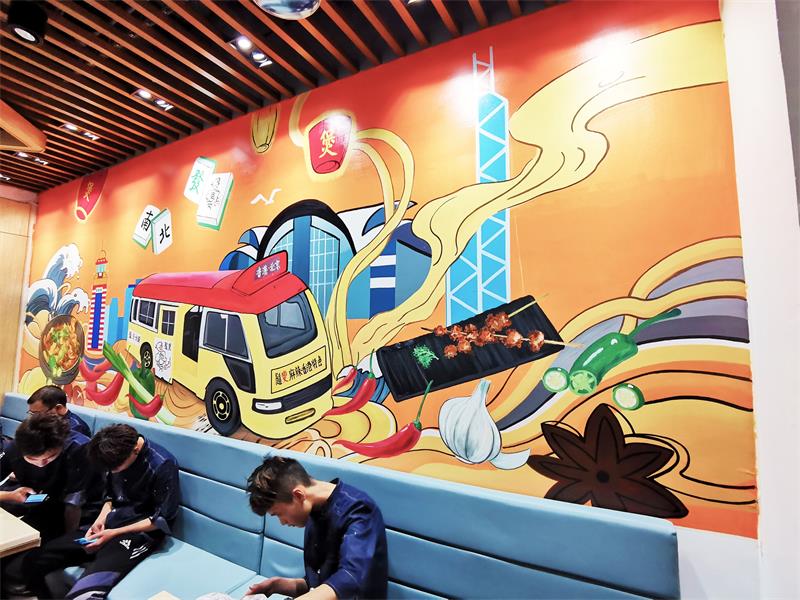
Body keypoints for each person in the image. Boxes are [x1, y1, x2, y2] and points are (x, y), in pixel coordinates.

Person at [21, 423, 181, 599]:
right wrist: (100, 521)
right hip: (108, 526)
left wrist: (113, 533)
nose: (112, 472)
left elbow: (161, 518)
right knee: (33, 561)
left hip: (138, 535)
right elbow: (110, 497)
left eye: (115, 469)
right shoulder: (110, 454)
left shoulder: (162, 463)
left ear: (135, 450)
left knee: (84, 595)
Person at [245, 456, 388, 600]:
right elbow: (318, 584)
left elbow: (351, 579)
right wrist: (278, 585)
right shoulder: (314, 511)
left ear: (298, 495)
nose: (282, 522)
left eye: (279, 514)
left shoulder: (359, 510)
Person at [0, 414, 97, 597]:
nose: (40, 464)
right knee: (5, 555)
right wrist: (9, 495)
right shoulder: (15, 447)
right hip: (46, 507)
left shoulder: (81, 449)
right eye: (32, 459)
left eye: (49, 458)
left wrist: (66, 541)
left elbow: (74, 506)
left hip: (86, 521)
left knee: (28, 564)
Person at [27, 384, 91, 437]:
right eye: (31, 413)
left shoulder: (75, 428)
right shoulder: (46, 423)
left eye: (37, 414)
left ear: (58, 408)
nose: (33, 418)